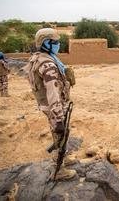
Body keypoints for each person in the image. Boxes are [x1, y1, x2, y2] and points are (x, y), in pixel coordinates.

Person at [24, 28, 76, 180]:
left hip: (51, 106)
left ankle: (63, 159)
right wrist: (59, 118)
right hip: (55, 107)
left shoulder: (39, 57)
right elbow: (52, 93)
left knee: (61, 135)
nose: (58, 44)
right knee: (60, 135)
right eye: (56, 42)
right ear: (46, 43)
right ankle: (59, 171)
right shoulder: (48, 65)